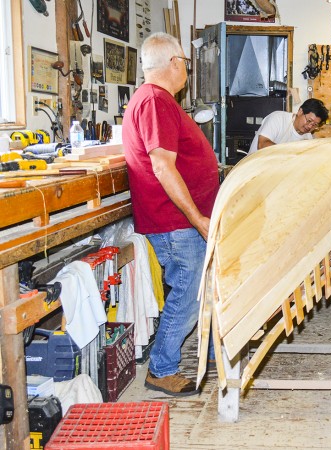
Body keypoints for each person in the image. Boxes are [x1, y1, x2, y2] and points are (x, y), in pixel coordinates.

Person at [123, 32, 220, 396]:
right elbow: (163, 167)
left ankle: (211, 350)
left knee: (202, 287)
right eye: (186, 63)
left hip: (179, 220)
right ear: (175, 63)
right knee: (189, 291)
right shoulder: (155, 101)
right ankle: (161, 369)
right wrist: (198, 218)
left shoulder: (158, 100)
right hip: (176, 222)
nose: (187, 70)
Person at [247, 98, 329, 155]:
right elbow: (262, 145)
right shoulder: (278, 119)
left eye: (315, 125)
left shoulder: (308, 139)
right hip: (253, 170)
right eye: (309, 121)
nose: (309, 126)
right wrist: (290, 152)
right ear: (300, 112)